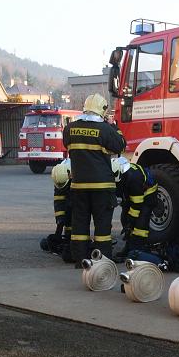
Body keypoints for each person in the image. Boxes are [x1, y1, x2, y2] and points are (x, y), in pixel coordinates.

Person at [62, 93, 126, 265]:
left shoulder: (70, 129)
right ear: (102, 111)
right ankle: (102, 261)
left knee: (79, 225)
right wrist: (114, 127)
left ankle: (80, 259)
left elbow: (66, 145)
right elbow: (120, 145)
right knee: (102, 227)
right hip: (102, 187)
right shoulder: (105, 129)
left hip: (78, 186)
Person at [112, 157, 158, 259]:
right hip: (132, 195)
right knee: (124, 218)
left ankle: (138, 250)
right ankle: (128, 247)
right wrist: (127, 224)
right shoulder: (120, 173)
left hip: (147, 196)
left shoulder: (134, 179)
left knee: (140, 225)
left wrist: (131, 222)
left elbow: (137, 205)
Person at [40, 158, 74, 262]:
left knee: (71, 206)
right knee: (67, 209)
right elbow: (59, 200)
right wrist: (60, 221)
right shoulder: (60, 174)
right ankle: (69, 236)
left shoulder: (78, 173)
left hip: (78, 191)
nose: (60, 187)